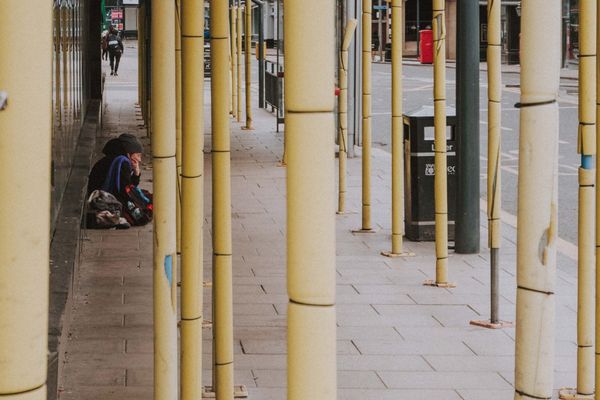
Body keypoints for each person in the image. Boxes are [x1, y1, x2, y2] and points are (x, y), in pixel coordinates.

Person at [88, 133, 143, 199]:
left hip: (96, 197)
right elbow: (127, 193)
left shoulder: (111, 159)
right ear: (128, 154)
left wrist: (136, 174)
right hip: (104, 201)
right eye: (138, 155)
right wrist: (136, 175)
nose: (139, 160)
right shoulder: (122, 163)